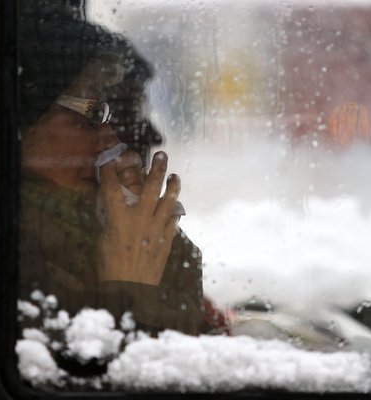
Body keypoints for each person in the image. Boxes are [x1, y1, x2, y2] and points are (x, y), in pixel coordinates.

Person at [17, 8, 224, 337]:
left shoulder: (85, 226)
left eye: (112, 114)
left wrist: (151, 231)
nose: (111, 139)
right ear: (22, 121)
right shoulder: (11, 249)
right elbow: (101, 375)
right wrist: (131, 285)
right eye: (90, 113)